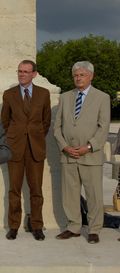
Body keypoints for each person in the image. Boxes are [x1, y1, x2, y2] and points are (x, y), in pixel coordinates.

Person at [54, 61, 110, 243]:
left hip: (91, 155)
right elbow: (57, 127)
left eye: (82, 75)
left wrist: (88, 146)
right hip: (68, 155)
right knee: (69, 194)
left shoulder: (102, 97)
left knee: (94, 194)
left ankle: (94, 229)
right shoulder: (64, 97)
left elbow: (103, 128)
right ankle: (73, 227)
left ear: (91, 76)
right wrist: (64, 146)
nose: (78, 78)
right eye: (75, 75)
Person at [1, 60, 51, 240]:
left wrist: (35, 135)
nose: (21, 74)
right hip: (15, 149)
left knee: (36, 189)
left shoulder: (44, 94)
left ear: (34, 74)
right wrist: (15, 137)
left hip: (35, 149)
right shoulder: (8, 95)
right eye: (19, 71)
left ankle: (37, 226)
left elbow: (46, 121)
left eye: (25, 71)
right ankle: (13, 226)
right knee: (14, 190)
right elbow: (5, 122)